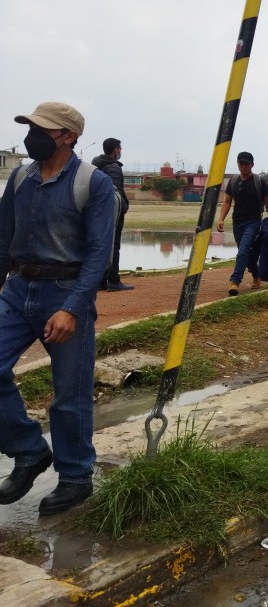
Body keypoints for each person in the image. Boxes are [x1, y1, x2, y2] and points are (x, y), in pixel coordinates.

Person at [0, 101, 115, 515]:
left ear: (68, 137)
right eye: (30, 126)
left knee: (70, 394)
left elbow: (99, 253)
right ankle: (29, 451)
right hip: (17, 289)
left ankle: (75, 478)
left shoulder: (94, 183)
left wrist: (71, 308)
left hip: (66, 292)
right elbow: (2, 239)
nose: (32, 135)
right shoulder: (19, 177)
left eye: (42, 129)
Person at [217, 151, 268, 296]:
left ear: (252, 165)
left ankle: (235, 281)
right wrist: (221, 219)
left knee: (242, 251)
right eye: (240, 163)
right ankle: (256, 275)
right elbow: (227, 202)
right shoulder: (233, 181)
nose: (243, 167)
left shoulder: (258, 181)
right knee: (246, 254)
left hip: (253, 221)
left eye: (246, 164)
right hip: (237, 222)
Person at [92, 138, 133, 291]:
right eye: (120, 148)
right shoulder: (113, 167)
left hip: (97, 211)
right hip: (112, 212)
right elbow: (116, 192)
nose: (121, 151)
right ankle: (114, 280)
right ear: (115, 149)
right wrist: (123, 206)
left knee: (101, 245)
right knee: (114, 245)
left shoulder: (95, 165)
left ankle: (101, 280)